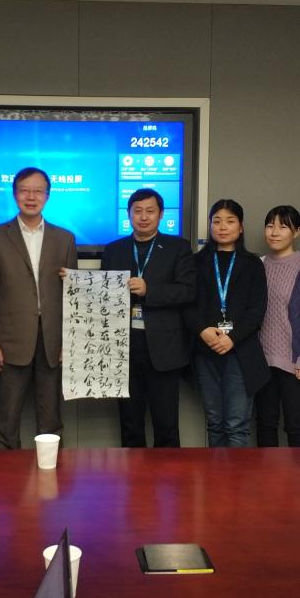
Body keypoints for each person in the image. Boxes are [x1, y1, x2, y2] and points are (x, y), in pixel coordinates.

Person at [0, 168, 77, 449]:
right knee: (7, 419)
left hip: (52, 342)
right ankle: (6, 475)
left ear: (48, 196)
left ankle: (52, 473)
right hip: (9, 342)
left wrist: (69, 341)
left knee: (51, 420)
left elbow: (72, 297)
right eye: (24, 190)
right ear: (14, 194)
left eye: (38, 191)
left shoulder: (65, 238)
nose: (31, 197)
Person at [101, 188, 195, 447]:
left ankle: (168, 473)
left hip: (164, 349)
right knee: (130, 423)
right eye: (138, 211)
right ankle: (133, 474)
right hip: (125, 348)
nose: (143, 217)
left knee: (166, 425)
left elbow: (187, 291)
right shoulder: (114, 249)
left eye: (150, 211)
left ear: (161, 214)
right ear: (128, 214)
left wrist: (149, 289)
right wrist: (75, 282)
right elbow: (102, 293)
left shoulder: (178, 247)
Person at [185, 199, 268, 447]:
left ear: (240, 227)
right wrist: (202, 331)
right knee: (214, 422)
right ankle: (216, 473)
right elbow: (186, 304)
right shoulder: (195, 262)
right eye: (217, 221)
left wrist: (232, 338)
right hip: (205, 350)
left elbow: (257, 309)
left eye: (230, 221)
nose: (222, 227)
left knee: (236, 425)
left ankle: (236, 475)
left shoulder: (253, 263)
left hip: (240, 351)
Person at [256, 205, 300, 447]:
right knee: (265, 423)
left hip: (296, 362)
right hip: (262, 360)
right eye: (270, 225)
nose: (274, 232)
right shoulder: (258, 264)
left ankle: (298, 472)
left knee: (295, 424)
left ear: (296, 232)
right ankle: (267, 471)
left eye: (283, 226)